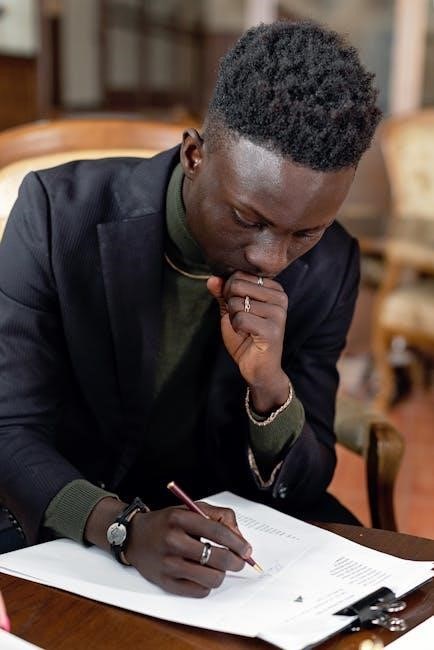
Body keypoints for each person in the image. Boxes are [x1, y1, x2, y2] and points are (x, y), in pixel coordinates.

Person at [0, 20, 381, 597]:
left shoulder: (331, 265)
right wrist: (123, 527)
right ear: (195, 155)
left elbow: (307, 479)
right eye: (248, 218)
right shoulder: (58, 215)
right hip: (67, 510)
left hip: (231, 534)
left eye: (305, 232)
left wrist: (270, 389)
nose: (271, 258)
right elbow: (10, 430)